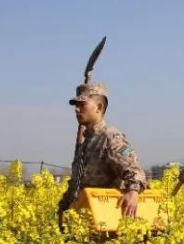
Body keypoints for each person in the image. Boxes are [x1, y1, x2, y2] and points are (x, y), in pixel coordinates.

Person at [57, 83, 147, 225]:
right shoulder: (85, 143)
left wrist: (133, 193)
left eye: (82, 104)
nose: (76, 109)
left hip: (105, 222)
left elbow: (135, 173)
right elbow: (76, 184)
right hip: (82, 223)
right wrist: (63, 210)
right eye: (76, 105)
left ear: (99, 107)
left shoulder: (110, 137)